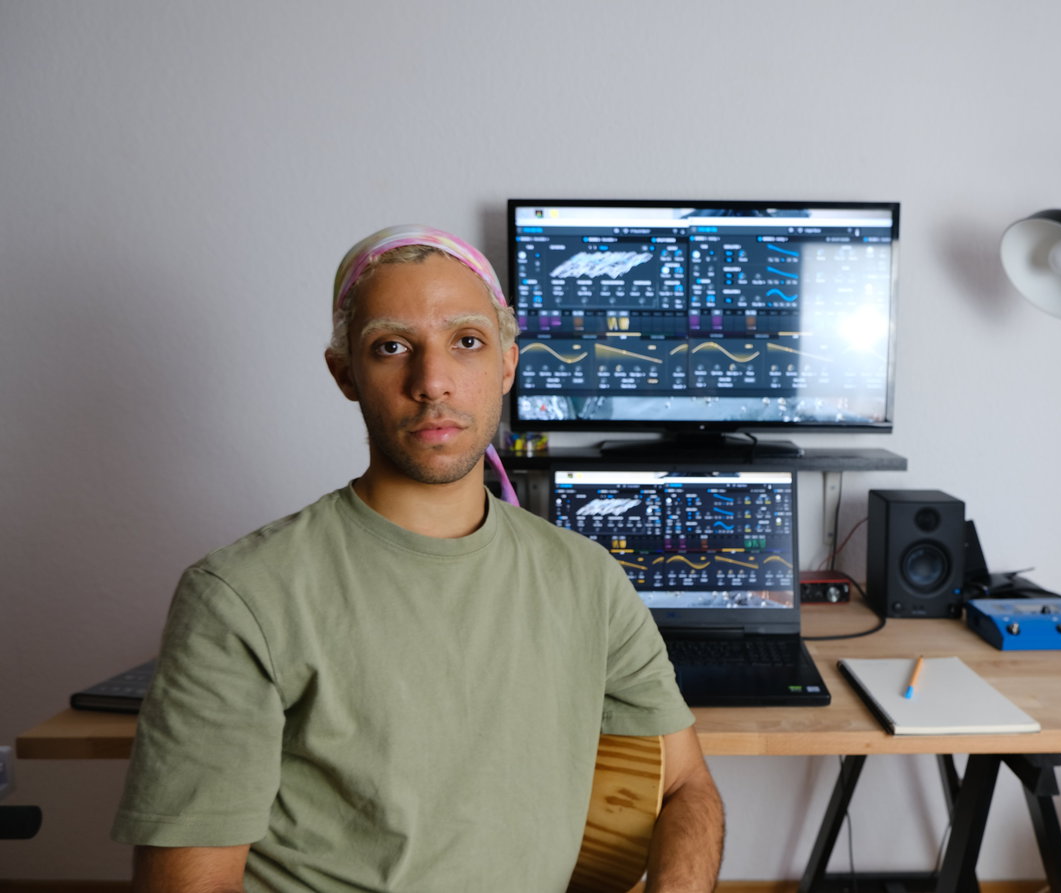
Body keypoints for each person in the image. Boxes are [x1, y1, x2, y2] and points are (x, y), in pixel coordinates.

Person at [112, 225, 724, 892]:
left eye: (466, 341)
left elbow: (685, 786)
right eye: (391, 346)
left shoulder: (586, 577)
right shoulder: (240, 595)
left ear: (508, 365)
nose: (432, 381)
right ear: (345, 373)